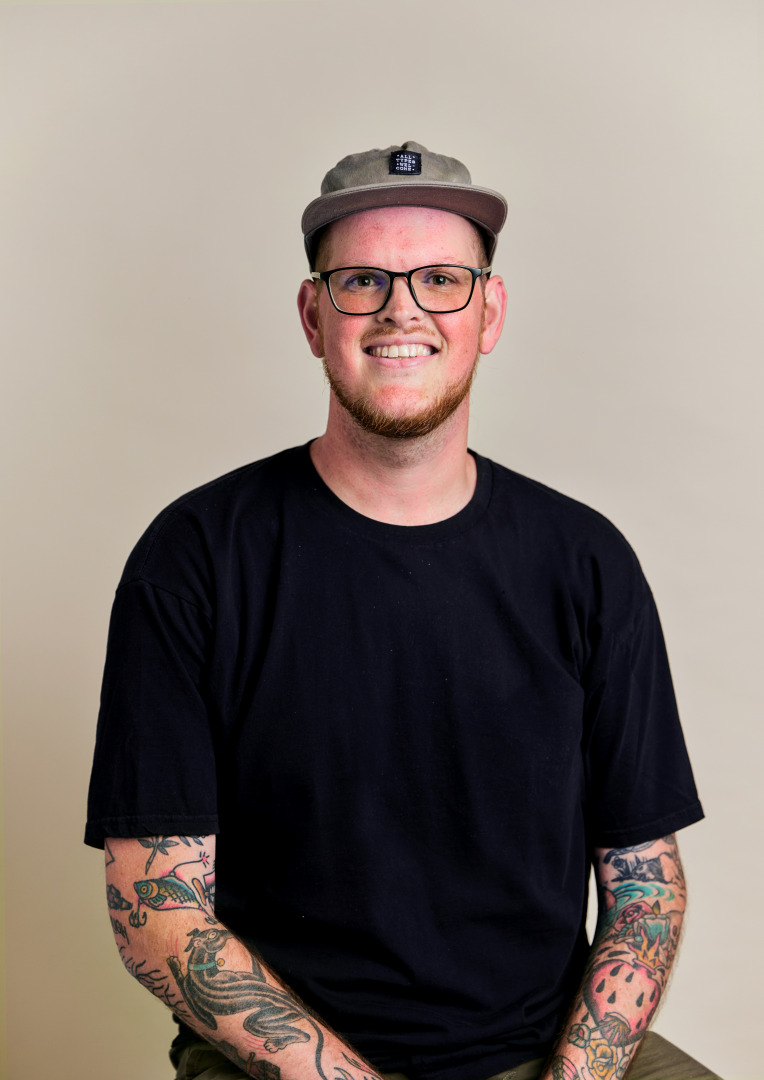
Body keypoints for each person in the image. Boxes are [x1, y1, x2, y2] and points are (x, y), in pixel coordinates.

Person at [86, 142, 716, 1080]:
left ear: (488, 313)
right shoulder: (194, 558)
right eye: (362, 281)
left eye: (441, 280)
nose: (402, 310)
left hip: (549, 1054)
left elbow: (645, 893)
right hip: (285, 1062)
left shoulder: (586, 561)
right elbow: (157, 914)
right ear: (313, 316)